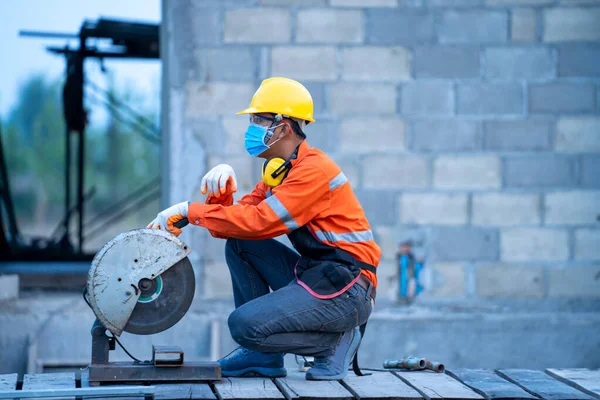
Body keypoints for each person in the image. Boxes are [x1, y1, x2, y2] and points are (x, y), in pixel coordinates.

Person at [148, 77, 381, 380]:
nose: (252, 127)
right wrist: (223, 192)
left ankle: (333, 342)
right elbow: (239, 226)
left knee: (243, 326)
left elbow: (260, 221)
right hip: (321, 276)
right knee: (241, 247)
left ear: (283, 128)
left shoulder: (313, 171)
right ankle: (262, 359)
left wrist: (187, 211)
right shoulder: (281, 170)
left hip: (347, 289)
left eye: (259, 119)